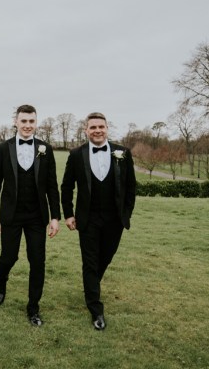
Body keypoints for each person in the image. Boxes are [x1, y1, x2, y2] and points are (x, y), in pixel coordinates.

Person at [61, 112, 136, 330]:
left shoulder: (122, 153)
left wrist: (126, 213)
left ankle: (90, 286)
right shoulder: (76, 155)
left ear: (107, 128)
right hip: (88, 219)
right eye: (92, 127)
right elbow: (66, 187)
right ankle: (96, 309)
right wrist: (68, 214)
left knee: (106, 258)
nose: (97, 130)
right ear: (86, 130)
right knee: (90, 263)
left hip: (115, 219)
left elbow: (131, 186)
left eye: (101, 126)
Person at [0, 104, 60, 326]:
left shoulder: (46, 149)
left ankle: (33, 308)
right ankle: (1, 282)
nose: (28, 125)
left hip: (37, 216)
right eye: (24, 121)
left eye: (31, 121)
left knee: (37, 261)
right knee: (9, 257)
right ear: (16, 122)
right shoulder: (2, 148)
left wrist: (55, 217)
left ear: (36, 123)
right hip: (11, 215)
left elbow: (52, 186)